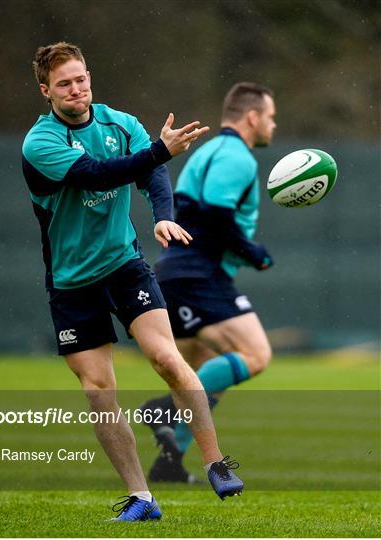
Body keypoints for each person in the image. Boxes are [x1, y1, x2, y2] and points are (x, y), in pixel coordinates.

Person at [22, 42, 243, 522]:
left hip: (124, 264)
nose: (76, 88)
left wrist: (163, 216)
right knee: (98, 390)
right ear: (46, 91)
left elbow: (152, 174)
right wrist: (159, 149)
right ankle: (142, 498)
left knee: (166, 357)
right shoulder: (40, 143)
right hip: (71, 282)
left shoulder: (120, 123)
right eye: (64, 83)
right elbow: (96, 174)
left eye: (81, 78)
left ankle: (215, 461)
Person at [141, 82, 277, 483]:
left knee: (203, 368)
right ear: (252, 117)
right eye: (270, 116)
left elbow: (192, 211)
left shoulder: (205, 153)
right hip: (200, 274)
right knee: (255, 355)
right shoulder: (238, 157)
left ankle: (170, 462)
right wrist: (254, 253)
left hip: (174, 271)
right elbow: (215, 216)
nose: (272, 124)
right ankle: (164, 408)